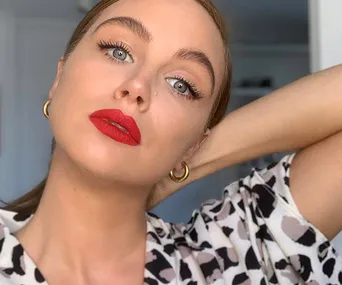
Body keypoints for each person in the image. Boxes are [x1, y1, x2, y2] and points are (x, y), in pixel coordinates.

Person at [1, 0, 342, 284]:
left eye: (181, 84)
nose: (137, 87)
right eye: (118, 51)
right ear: (59, 78)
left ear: (196, 140)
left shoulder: (231, 261)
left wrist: (192, 158)